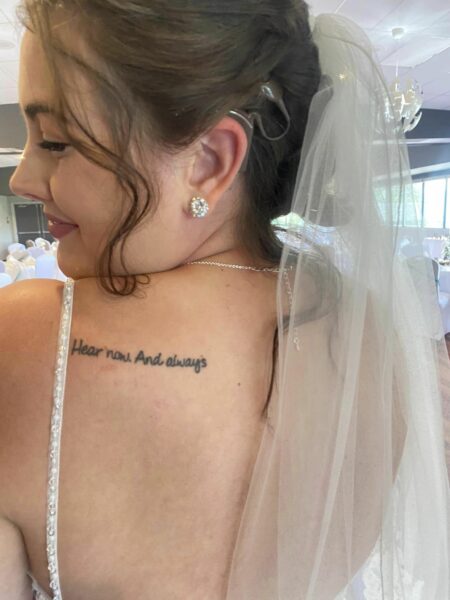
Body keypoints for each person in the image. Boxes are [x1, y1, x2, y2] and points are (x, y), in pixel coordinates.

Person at [0, 1, 448, 599]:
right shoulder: (374, 335)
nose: (21, 179)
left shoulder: (28, 338)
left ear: (210, 162)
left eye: (55, 141)